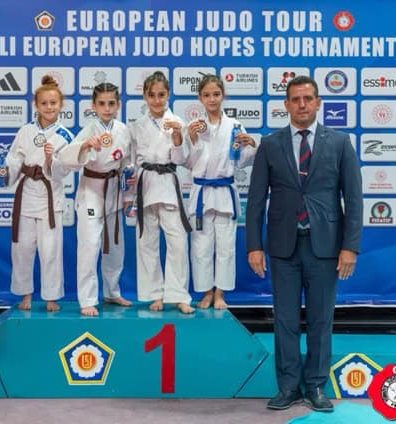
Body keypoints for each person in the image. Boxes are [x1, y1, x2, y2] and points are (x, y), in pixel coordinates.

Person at [246, 76, 362, 413]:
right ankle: (287, 386)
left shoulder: (339, 143)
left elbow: (354, 198)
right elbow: (256, 200)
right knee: (284, 319)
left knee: (320, 320)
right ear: (286, 104)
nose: (302, 105)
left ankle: (316, 386)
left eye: (308, 98)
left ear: (318, 102)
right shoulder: (270, 144)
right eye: (295, 99)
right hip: (283, 248)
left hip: (325, 247)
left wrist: (350, 247)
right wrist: (254, 245)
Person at [57, 82, 132, 316]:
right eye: (102, 104)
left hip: (114, 191)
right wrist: (85, 146)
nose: (107, 108)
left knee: (116, 247)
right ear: (94, 106)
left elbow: (128, 164)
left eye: (111, 103)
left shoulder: (124, 130)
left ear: (118, 105)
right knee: (90, 247)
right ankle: (87, 299)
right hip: (91, 192)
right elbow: (66, 159)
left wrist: (128, 195)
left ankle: (112, 291)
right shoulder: (89, 130)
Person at [185, 74, 257, 310]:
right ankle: (206, 292)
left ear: (223, 95)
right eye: (207, 95)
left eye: (216, 94)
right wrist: (191, 139)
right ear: (200, 98)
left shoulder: (234, 126)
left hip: (225, 192)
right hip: (202, 193)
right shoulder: (194, 127)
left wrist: (250, 145)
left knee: (226, 246)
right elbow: (186, 161)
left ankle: (220, 294)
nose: (212, 99)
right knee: (201, 247)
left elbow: (242, 161)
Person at [126, 71, 194, 314]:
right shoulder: (136, 126)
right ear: (145, 96)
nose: (157, 100)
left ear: (168, 95)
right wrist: (129, 192)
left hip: (168, 182)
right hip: (145, 184)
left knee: (178, 242)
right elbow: (131, 161)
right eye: (152, 95)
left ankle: (178, 294)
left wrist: (177, 138)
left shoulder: (178, 123)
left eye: (161, 95)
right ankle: (154, 294)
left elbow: (182, 159)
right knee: (147, 242)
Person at [5, 75, 73, 312]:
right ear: (36, 105)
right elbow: (14, 159)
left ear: (61, 105)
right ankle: (26, 294)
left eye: (53, 103)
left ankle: (51, 297)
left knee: (50, 250)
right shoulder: (25, 131)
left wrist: (50, 160)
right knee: (23, 248)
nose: (49, 107)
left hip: (49, 196)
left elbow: (65, 170)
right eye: (44, 103)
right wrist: (6, 171)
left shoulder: (65, 135)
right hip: (27, 195)